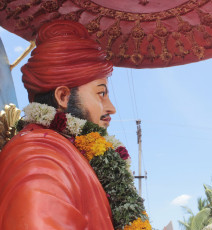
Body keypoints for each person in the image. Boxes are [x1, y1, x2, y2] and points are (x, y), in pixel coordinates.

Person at [0, 20, 149, 230]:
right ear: (63, 96)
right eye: (101, 94)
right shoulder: (38, 155)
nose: (111, 107)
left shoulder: (75, 155)